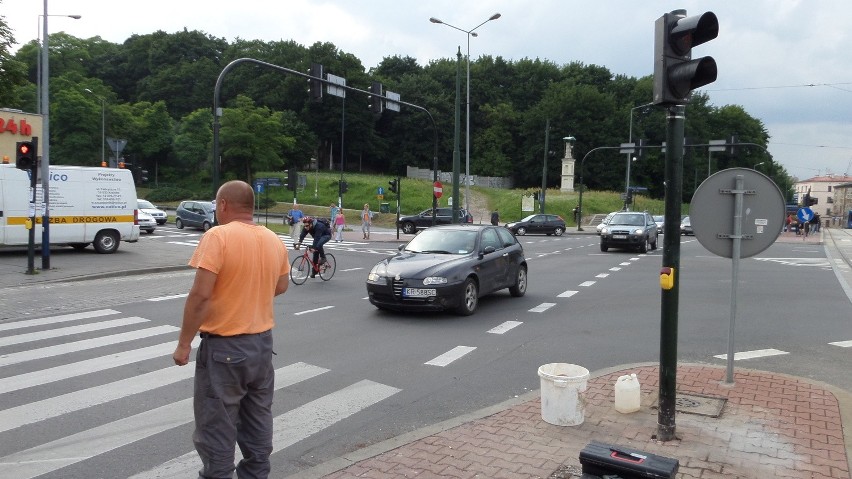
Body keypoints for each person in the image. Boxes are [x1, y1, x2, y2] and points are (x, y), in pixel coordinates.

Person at [172, 180, 290, 479]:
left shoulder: (218, 236)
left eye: (216, 203)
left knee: (217, 429)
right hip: (262, 347)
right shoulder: (273, 239)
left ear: (223, 204)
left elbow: (200, 295)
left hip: (225, 350)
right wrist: (250, 294)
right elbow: (281, 285)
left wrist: (184, 343)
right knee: (258, 420)